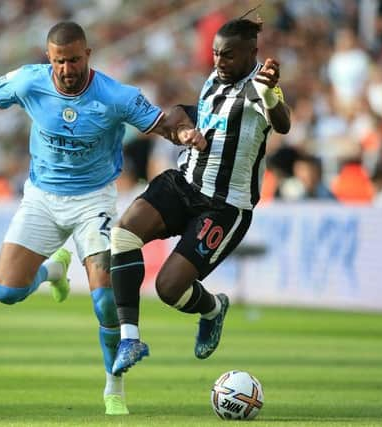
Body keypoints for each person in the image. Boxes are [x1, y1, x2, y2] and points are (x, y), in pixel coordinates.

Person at [0, 22, 203, 415]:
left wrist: (185, 134)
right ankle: (54, 272)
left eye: (74, 60)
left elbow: (162, 124)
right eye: (59, 61)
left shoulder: (116, 95)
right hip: (41, 199)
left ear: (87, 54)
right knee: (7, 292)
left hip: (94, 202)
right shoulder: (28, 81)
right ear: (48, 58)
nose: (67, 69)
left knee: (105, 299)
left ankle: (114, 388)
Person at [108, 16, 291, 375]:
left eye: (228, 56)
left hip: (224, 207)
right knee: (123, 234)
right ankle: (130, 338)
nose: (219, 62)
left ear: (251, 53)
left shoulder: (259, 89)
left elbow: (282, 121)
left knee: (169, 288)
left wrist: (271, 92)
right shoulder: (214, 79)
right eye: (216, 54)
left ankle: (212, 309)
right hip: (184, 182)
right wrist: (183, 129)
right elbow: (189, 112)